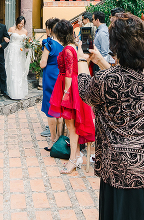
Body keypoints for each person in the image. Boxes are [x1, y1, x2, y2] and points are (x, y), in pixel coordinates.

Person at [77, 13, 144, 220]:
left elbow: (85, 90)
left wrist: (83, 60)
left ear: (115, 45)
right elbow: (125, 82)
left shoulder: (106, 79)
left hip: (123, 172)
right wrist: (100, 60)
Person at [48, 19, 95, 174]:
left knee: (71, 126)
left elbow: (69, 73)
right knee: (71, 126)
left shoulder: (68, 49)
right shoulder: (72, 47)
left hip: (70, 87)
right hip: (69, 85)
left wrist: (66, 94)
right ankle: (75, 155)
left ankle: (73, 160)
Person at [40, 18, 64, 148]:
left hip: (49, 77)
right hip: (59, 75)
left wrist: (40, 63)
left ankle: (53, 139)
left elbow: (43, 63)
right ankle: (60, 137)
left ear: (49, 29)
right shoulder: (63, 44)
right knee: (59, 107)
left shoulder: (48, 44)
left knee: (51, 108)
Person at [5, 16, 29, 100]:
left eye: (23, 23)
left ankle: (19, 91)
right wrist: (5, 38)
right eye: (20, 23)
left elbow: (25, 42)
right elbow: (6, 38)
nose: (21, 25)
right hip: (12, 51)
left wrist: (28, 45)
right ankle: (11, 91)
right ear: (17, 22)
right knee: (12, 69)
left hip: (20, 51)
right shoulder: (11, 29)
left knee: (19, 69)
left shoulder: (25, 31)